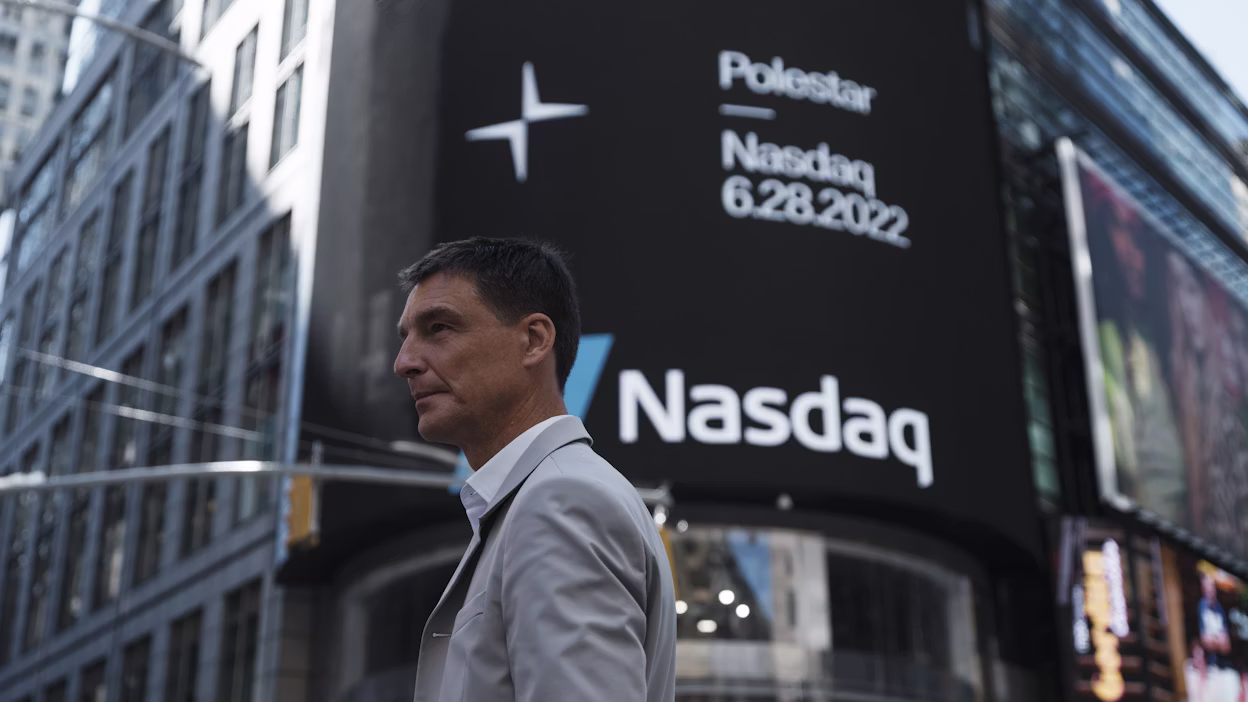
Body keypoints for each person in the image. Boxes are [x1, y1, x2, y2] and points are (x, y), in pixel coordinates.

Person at [394, 237, 677, 702]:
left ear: (534, 340)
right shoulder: (548, 495)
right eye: (405, 337)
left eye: (439, 327)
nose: (404, 362)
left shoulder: (561, 500)